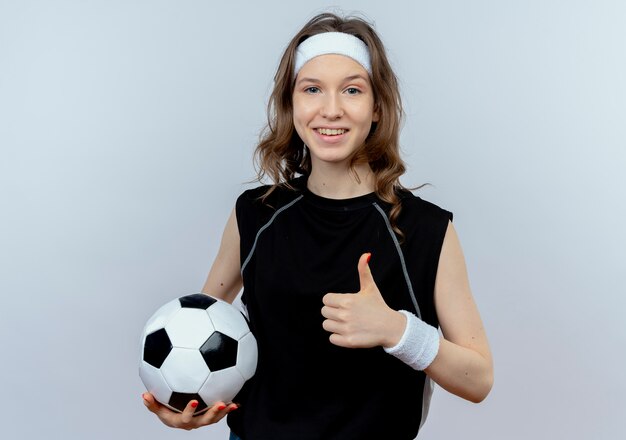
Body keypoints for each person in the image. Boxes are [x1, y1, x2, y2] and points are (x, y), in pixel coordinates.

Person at [142, 12, 493, 439]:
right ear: (291, 105)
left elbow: (479, 380)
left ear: (377, 107)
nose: (331, 109)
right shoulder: (255, 214)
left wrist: (396, 330)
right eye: (312, 89)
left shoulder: (424, 230)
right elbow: (201, 325)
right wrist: (184, 401)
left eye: (352, 90)